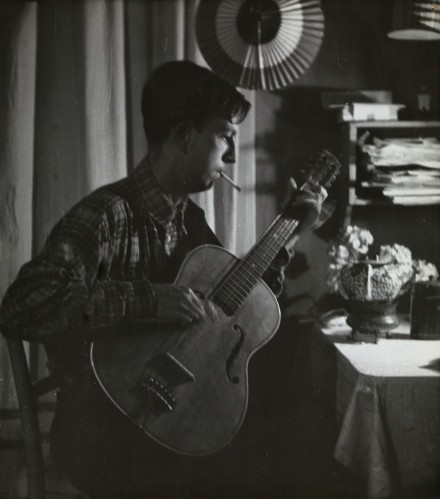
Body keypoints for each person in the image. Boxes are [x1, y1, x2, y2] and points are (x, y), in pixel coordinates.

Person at [0, 60, 326, 498]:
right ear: (184, 135)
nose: (231, 155)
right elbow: (21, 305)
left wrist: (289, 228)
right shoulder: (106, 214)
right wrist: (145, 300)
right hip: (102, 430)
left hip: (176, 417)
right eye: (225, 136)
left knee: (289, 450)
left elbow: (233, 307)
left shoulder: (189, 219)